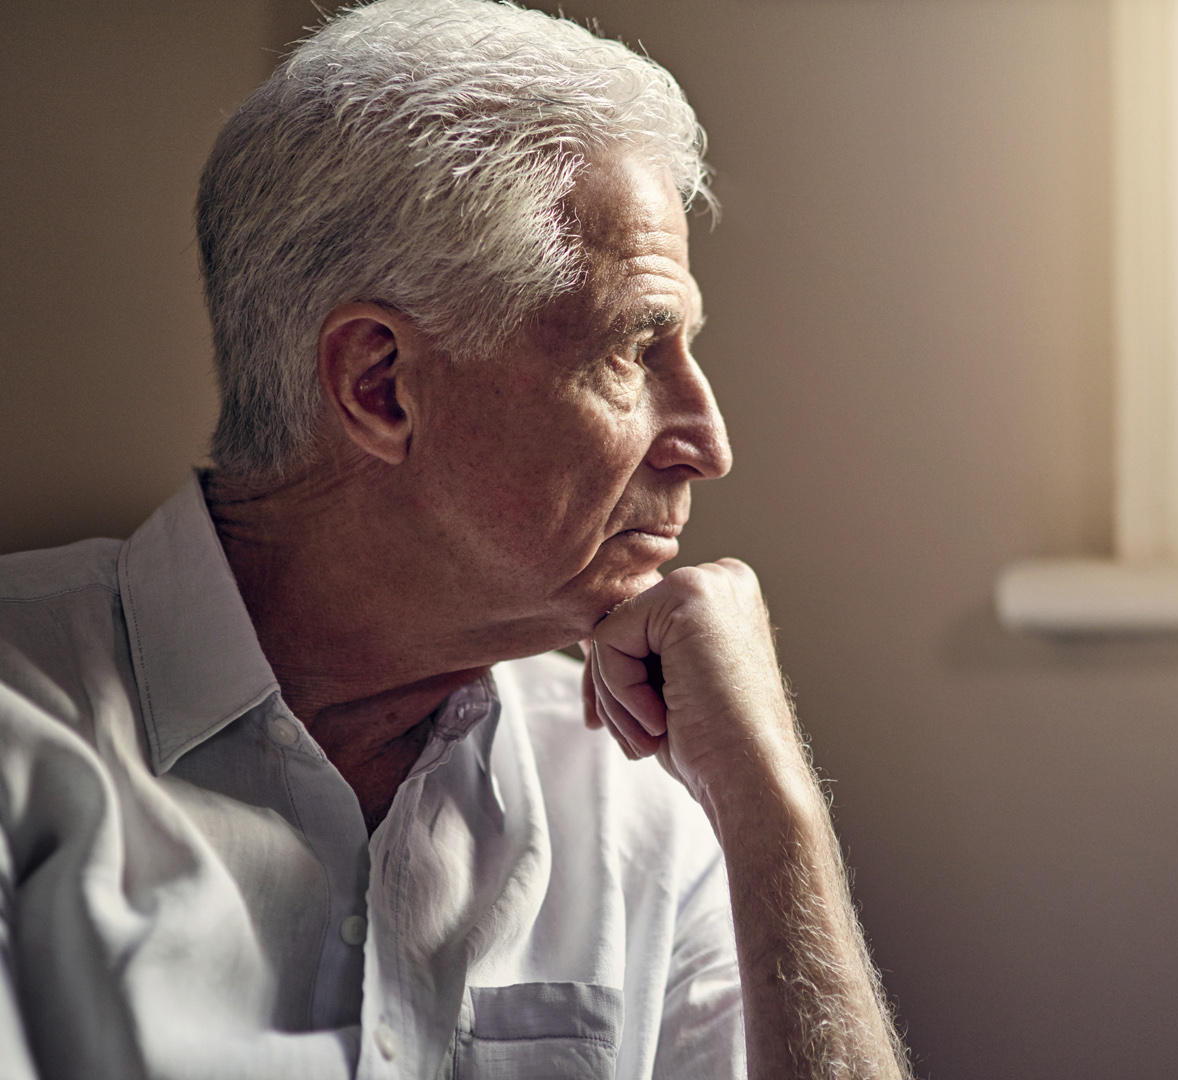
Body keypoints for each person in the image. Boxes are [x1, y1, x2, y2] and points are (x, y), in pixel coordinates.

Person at [0, 2, 910, 1077]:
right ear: (379, 384)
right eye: (635, 347)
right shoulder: (25, 744)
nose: (706, 442)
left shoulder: (649, 807)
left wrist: (774, 812)